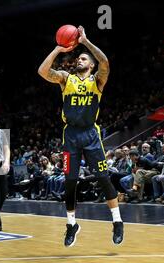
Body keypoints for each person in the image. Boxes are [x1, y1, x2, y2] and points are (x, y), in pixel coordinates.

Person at [38, 26, 124, 247]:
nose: (79, 60)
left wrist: (85, 42)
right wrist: (58, 49)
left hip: (90, 134)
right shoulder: (66, 79)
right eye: (78, 58)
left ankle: (117, 221)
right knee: (69, 182)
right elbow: (42, 71)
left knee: (104, 178)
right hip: (71, 135)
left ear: (91, 64)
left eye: (84, 58)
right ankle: (71, 225)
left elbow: (105, 62)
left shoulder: (97, 80)